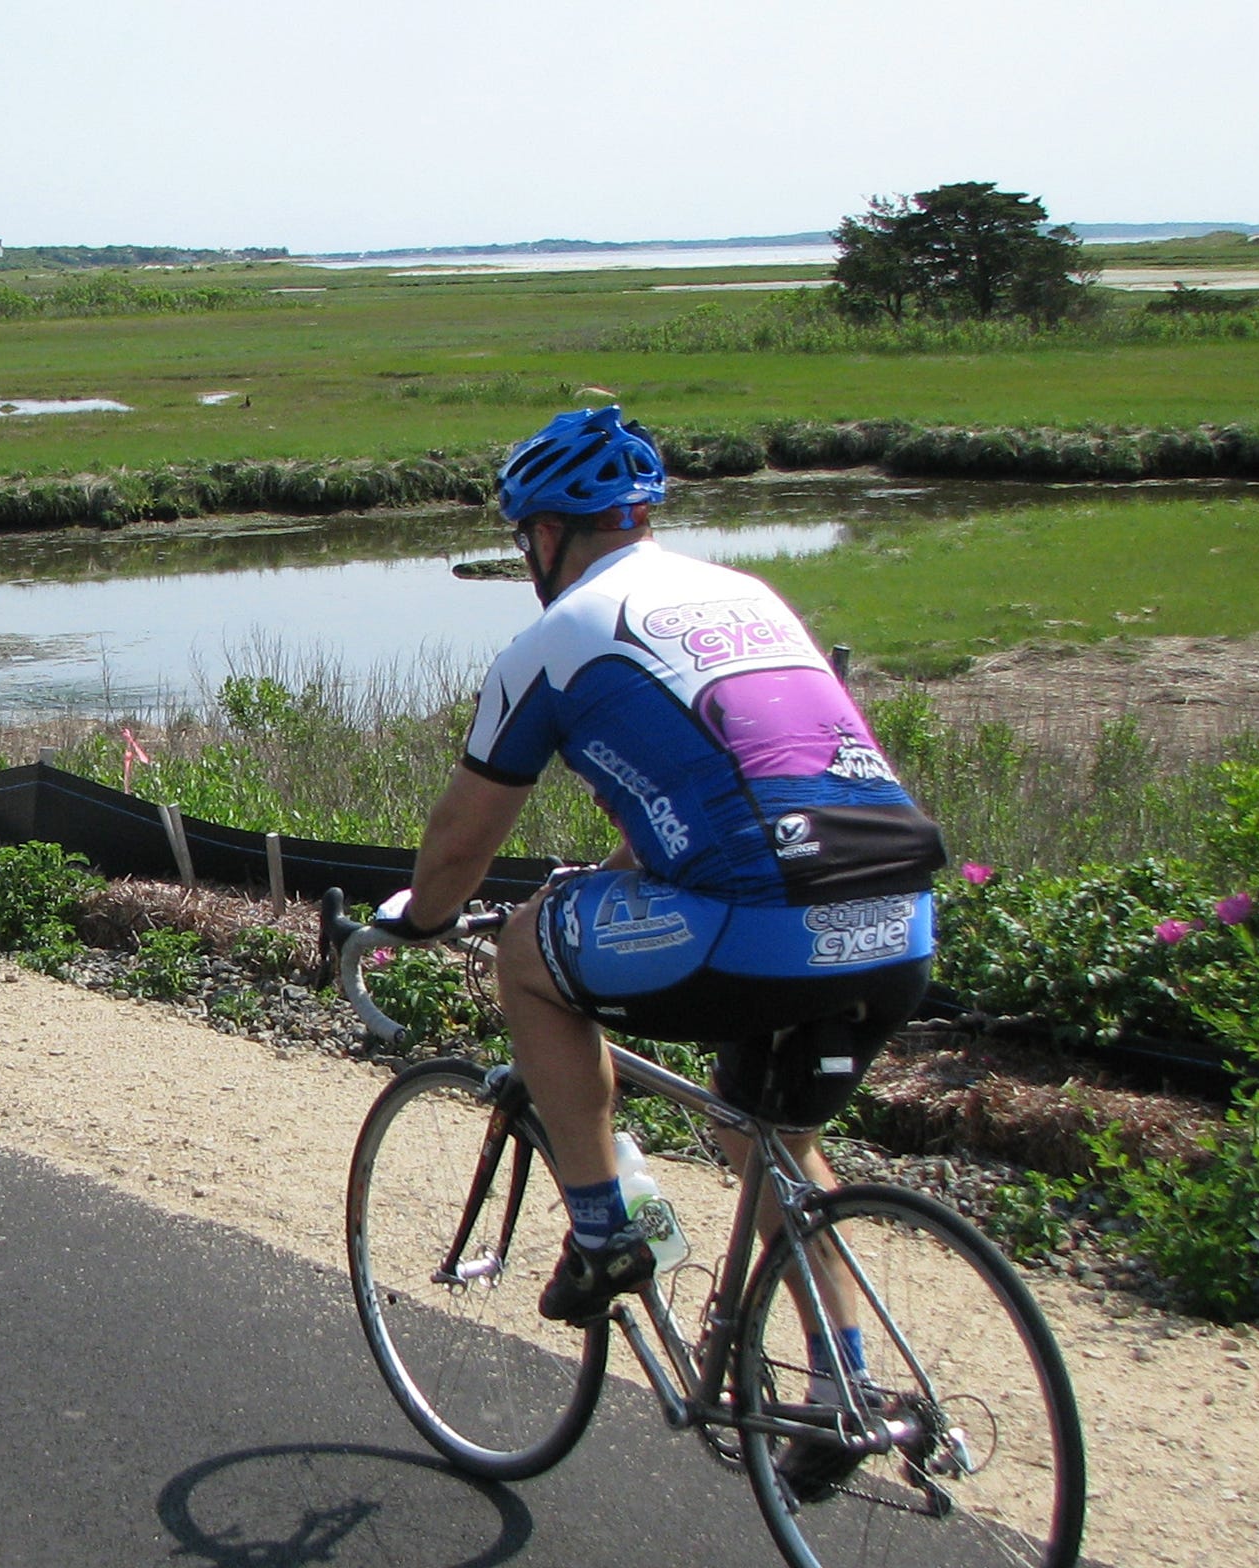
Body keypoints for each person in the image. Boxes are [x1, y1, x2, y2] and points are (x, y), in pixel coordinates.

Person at [380, 408, 945, 1486]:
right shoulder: (746, 595)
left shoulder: (550, 644)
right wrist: (640, 867)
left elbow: (462, 839)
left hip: (760, 929)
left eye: (523, 539)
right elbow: (753, 779)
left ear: (545, 534)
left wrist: (414, 917)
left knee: (531, 959)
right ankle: (842, 1386)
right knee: (759, 1132)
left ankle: (605, 1230)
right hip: (898, 914)